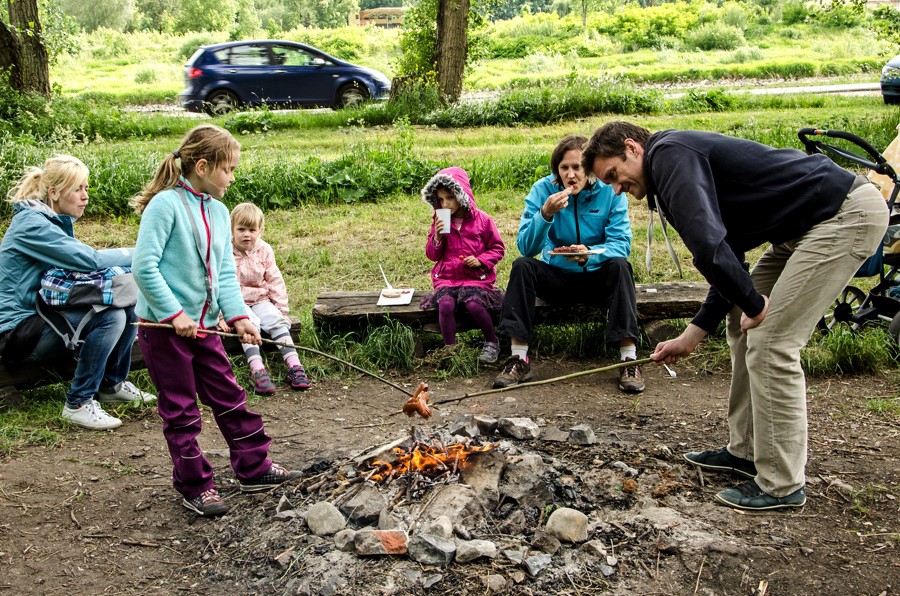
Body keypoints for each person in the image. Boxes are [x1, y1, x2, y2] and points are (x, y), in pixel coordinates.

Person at [583, 121, 889, 511]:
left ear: (632, 147)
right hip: (801, 229)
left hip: (842, 215)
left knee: (772, 341)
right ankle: (746, 451)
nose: (615, 189)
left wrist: (756, 305)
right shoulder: (666, 169)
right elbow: (726, 256)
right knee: (739, 321)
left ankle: (782, 483)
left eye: (613, 175)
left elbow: (708, 246)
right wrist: (693, 334)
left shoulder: (668, 155)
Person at [131, 124, 300, 518]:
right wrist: (174, 314)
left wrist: (239, 316)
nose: (232, 177)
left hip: (205, 327)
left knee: (229, 396)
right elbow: (144, 267)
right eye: (229, 169)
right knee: (181, 410)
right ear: (204, 167)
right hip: (164, 330)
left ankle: (254, 468)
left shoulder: (219, 212)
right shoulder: (165, 206)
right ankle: (195, 485)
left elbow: (224, 273)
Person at [0, 156, 155, 431]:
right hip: (16, 332)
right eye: (77, 189)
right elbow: (90, 260)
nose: (85, 196)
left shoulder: (49, 220)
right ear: (54, 192)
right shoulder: (32, 225)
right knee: (108, 316)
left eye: (86, 188)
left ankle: (111, 385)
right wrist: (144, 253)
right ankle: (78, 404)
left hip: (42, 316)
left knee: (125, 300)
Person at [494, 135, 643, 392]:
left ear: (590, 168)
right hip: (557, 278)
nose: (570, 175)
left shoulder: (609, 191)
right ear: (557, 170)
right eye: (564, 168)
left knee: (620, 266)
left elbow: (621, 244)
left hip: (597, 276)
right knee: (522, 266)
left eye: (577, 167)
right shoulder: (542, 190)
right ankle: (518, 358)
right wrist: (545, 214)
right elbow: (527, 247)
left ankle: (629, 359)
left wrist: (592, 253)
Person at [220, 202, 310, 395]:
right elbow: (219, 284)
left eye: (252, 230)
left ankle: (294, 365)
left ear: (260, 230)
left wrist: (282, 310)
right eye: (241, 229)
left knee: (275, 320)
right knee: (249, 323)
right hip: (237, 303)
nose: (247, 234)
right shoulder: (225, 251)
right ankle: (258, 370)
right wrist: (221, 315)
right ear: (231, 229)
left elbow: (275, 280)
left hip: (261, 299)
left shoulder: (264, 250)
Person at [420, 167, 506, 363]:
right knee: (445, 305)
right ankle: (450, 348)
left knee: (473, 304)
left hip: (476, 278)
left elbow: (498, 248)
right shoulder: (439, 221)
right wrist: (437, 237)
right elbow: (432, 255)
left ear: (462, 194)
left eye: (450, 197)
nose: (445, 204)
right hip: (448, 278)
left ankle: (492, 341)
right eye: (441, 199)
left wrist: (480, 260)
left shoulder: (482, 220)